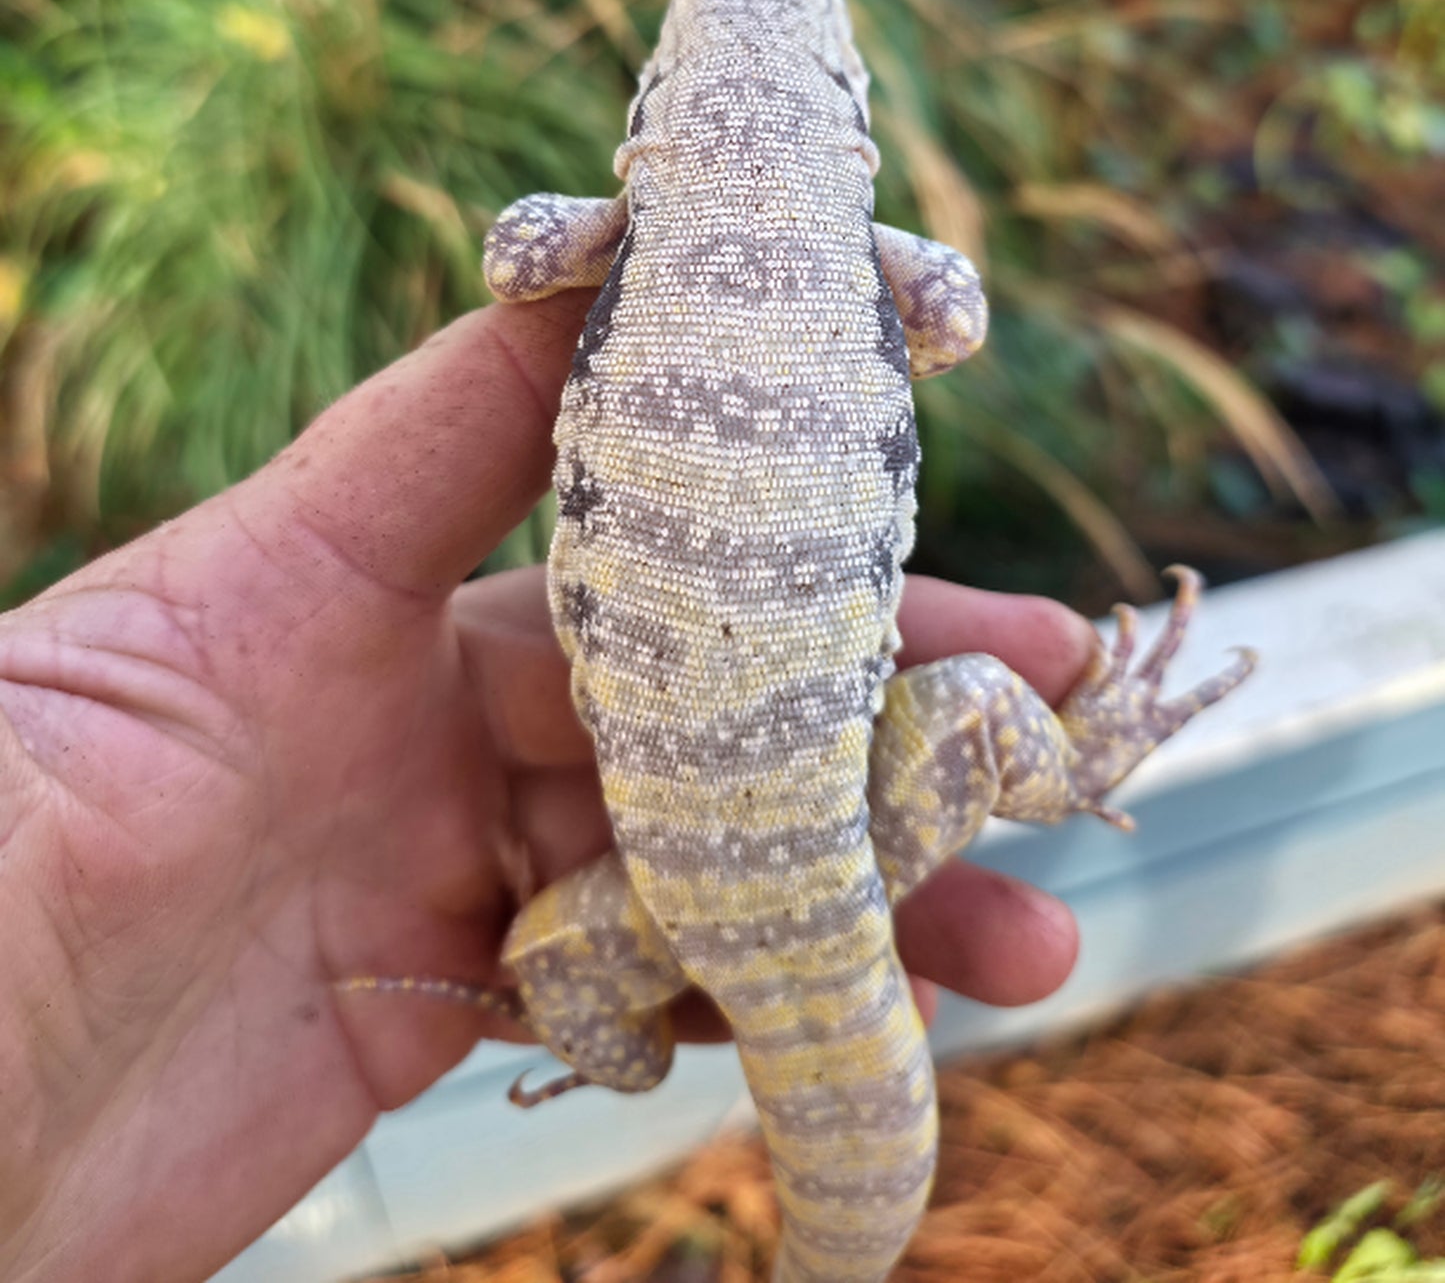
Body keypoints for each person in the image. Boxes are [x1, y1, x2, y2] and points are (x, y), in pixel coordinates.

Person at [0, 293, 1094, 1283]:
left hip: (706, 890)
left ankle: (619, 1051)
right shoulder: (867, 277)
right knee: (980, 695)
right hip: (793, 864)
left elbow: (522, 246)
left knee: (565, 962)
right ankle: (1082, 765)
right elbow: (948, 311)